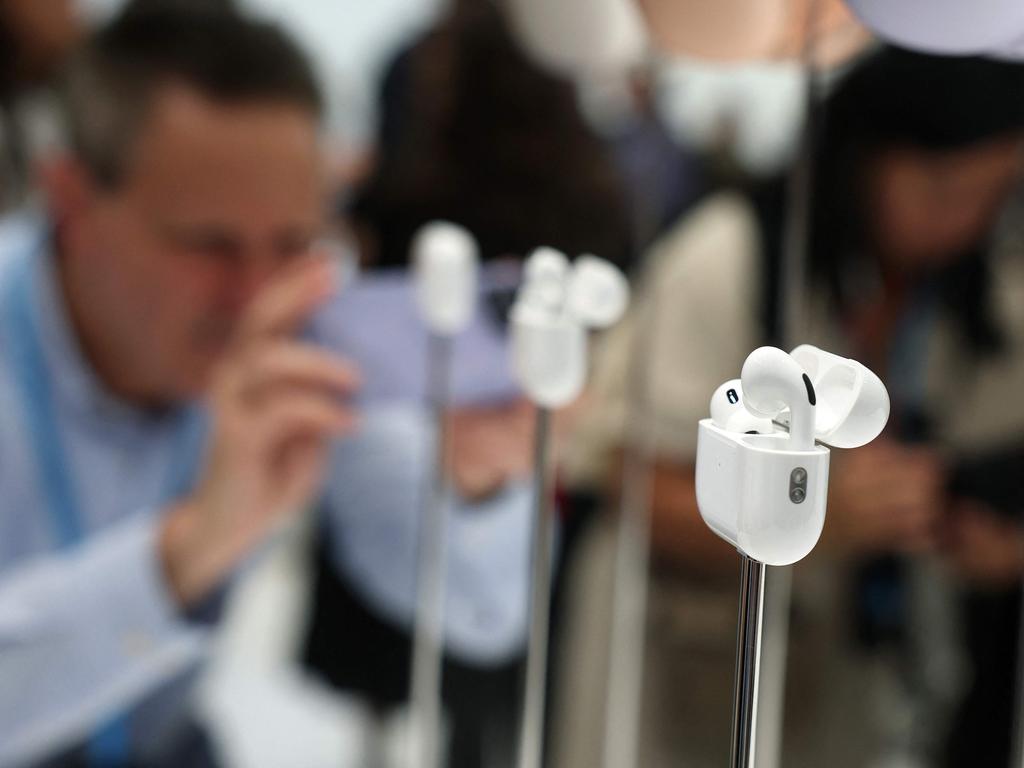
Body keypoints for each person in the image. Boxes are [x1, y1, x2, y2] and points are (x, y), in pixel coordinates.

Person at [0, 4, 532, 765]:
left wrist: (477, 484)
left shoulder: (306, 315)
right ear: (71, 202)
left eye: (292, 241)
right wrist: (189, 549)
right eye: (209, 245)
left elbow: (480, 614)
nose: (254, 295)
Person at [555, 46, 1024, 768]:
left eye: (990, 196)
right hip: (674, 660)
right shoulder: (728, 258)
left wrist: (969, 529)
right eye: (940, 190)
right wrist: (804, 518)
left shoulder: (980, 297)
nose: (961, 221)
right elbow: (624, 471)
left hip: (839, 682)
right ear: (863, 156)